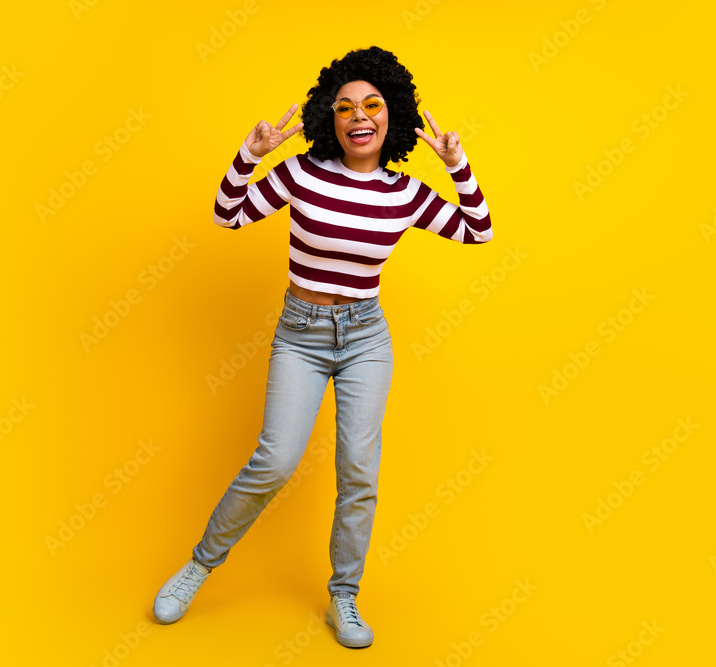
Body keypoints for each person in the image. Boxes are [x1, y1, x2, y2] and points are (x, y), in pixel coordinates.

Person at [152, 45, 492, 648]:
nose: (359, 115)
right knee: (276, 460)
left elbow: (478, 228)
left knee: (359, 470)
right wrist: (250, 156)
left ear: (393, 116)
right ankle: (200, 566)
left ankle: (344, 596)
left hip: (366, 337)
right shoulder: (303, 174)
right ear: (329, 119)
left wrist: (457, 163)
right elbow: (228, 214)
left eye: (372, 104)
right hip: (301, 334)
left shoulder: (404, 194)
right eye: (344, 106)